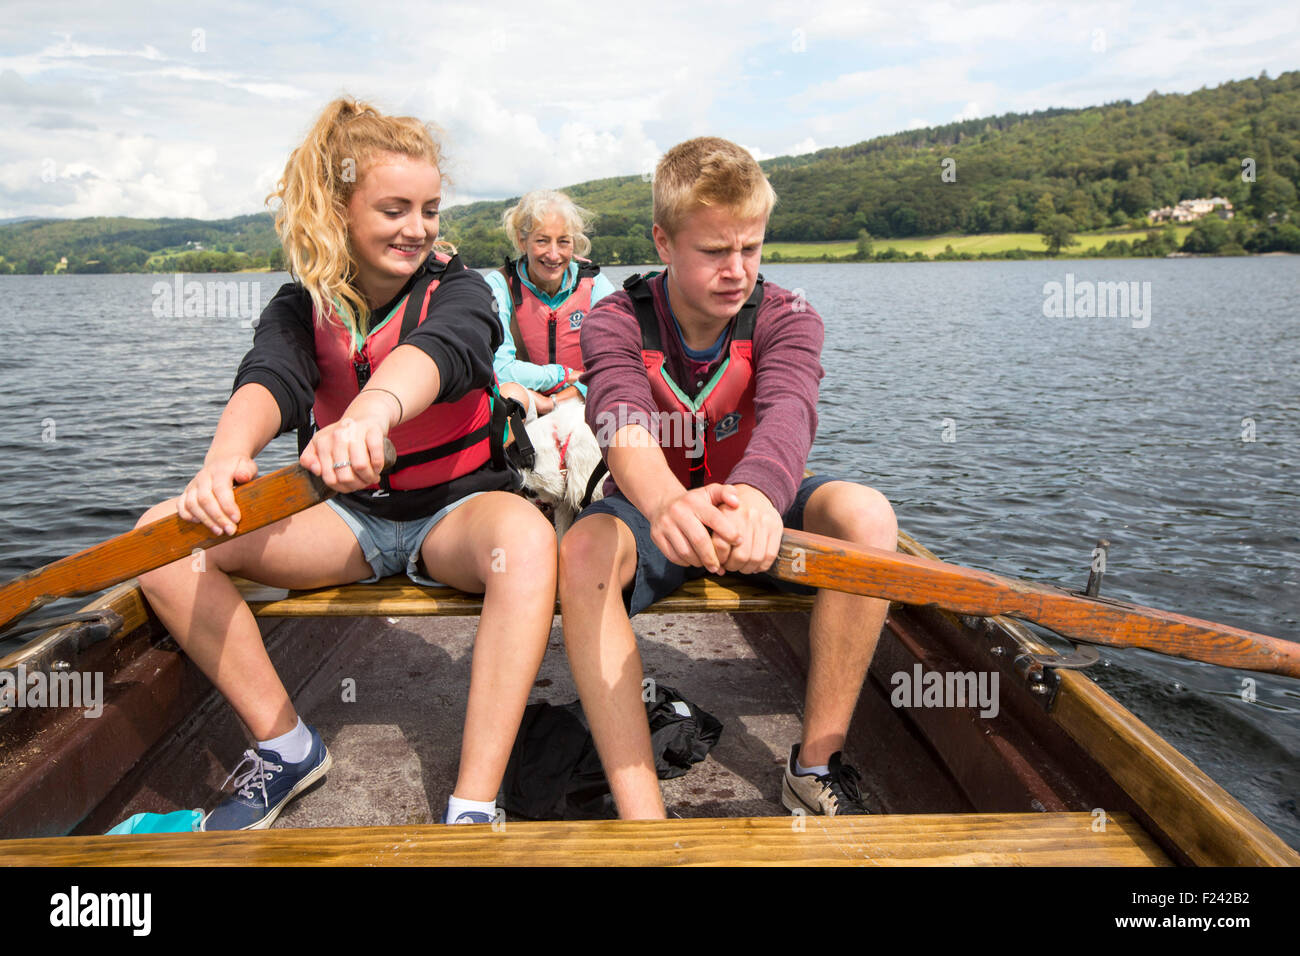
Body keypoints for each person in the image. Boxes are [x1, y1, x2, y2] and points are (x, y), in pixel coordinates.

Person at [134, 98, 557, 829]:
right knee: (162, 540)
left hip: (457, 516)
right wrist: (224, 459)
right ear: (338, 209)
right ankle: (286, 746)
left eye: (428, 209)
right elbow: (272, 376)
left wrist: (369, 414)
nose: (418, 228)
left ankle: (475, 802)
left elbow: (445, 351)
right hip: (348, 522)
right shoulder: (301, 306)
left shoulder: (462, 289)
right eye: (395, 208)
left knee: (526, 540)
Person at [559, 137, 899, 819]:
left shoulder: (789, 317)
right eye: (715, 251)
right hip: (654, 517)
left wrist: (753, 498)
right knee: (583, 550)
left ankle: (814, 766)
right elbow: (618, 416)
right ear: (663, 241)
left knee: (868, 519)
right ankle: (642, 813)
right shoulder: (613, 318)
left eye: (751, 248)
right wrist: (666, 506)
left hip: (758, 505)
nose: (737, 270)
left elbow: (788, 410)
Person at [486, 189, 616, 418]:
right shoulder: (498, 286)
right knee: (507, 393)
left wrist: (557, 401)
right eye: (542, 241)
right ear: (522, 240)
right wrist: (562, 376)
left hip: (582, 402)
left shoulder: (596, 285)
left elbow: (614, 364)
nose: (554, 255)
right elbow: (500, 370)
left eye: (563, 242)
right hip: (522, 406)